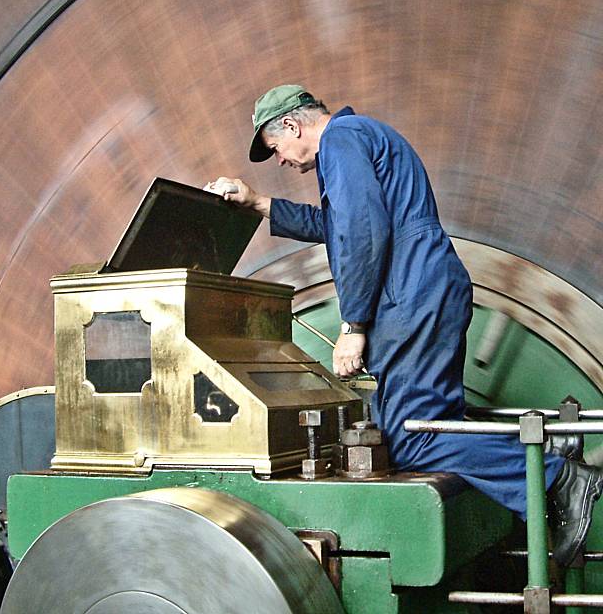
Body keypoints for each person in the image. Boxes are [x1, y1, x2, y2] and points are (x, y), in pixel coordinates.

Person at [207, 84, 602, 566]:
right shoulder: (362, 136)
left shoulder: (342, 141)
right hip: (426, 291)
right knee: (434, 420)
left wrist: (353, 324)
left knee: (412, 436)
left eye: (276, 150)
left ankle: (557, 477)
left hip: (413, 297)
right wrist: (257, 202)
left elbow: (360, 232)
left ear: (292, 126)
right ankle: (546, 461)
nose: (283, 161)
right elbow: (336, 224)